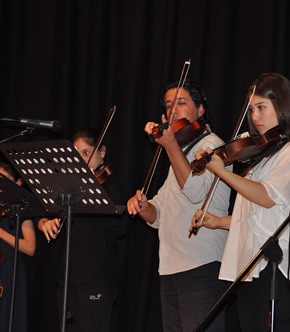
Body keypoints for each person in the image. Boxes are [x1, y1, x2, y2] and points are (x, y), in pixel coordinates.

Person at [189, 73, 290, 332]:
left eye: (262, 107)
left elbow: (268, 197)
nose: (255, 117)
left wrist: (222, 171)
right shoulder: (262, 155)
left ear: (283, 107)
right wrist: (216, 222)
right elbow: (255, 216)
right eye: (251, 109)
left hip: (278, 269)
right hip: (250, 267)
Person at [127, 80, 231, 332]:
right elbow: (159, 215)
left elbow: (196, 192)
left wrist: (171, 146)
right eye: (168, 106)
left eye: (181, 103)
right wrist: (143, 208)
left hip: (202, 264)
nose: (173, 111)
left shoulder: (212, 145)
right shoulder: (181, 154)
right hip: (171, 267)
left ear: (201, 110)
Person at [38, 128, 125, 332]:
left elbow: (120, 228)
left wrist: (95, 200)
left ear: (102, 152)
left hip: (96, 278)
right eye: (75, 155)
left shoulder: (111, 185)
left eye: (86, 153)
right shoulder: (69, 189)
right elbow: (52, 215)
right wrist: (44, 222)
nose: (81, 161)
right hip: (68, 278)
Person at [0, 161, 36, 332]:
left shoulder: (23, 209)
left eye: (4, 180)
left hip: (9, 270)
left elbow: (30, 248)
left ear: (18, 183)